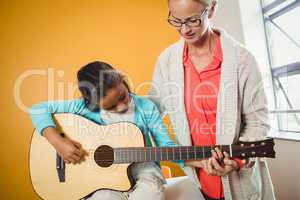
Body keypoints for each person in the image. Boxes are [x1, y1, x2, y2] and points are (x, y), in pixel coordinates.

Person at [148, 0, 276, 199]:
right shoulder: (166, 61)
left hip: (241, 180)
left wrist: (238, 161)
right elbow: (149, 113)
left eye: (192, 20)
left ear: (212, 9)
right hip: (201, 181)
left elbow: (257, 122)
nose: (184, 29)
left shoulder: (243, 59)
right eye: (176, 20)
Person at [29, 61, 183, 200]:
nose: (121, 107)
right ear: (91, 103)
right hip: (103, 178)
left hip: (143, 171)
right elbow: (37, 109)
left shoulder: (146, 107)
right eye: (111, 107)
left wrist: (199, 161)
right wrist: (58, 142)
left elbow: (166, 146)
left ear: (122, 79)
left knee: (151, 195)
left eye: (122, 96)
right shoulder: (81, 107)